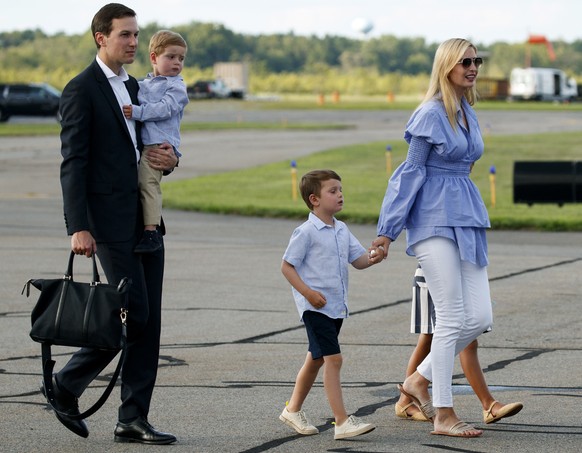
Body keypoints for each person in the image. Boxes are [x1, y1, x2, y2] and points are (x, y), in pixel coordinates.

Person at [44, 3, 179, 444]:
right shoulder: (81, 90)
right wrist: (77, 226)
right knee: (130, 314)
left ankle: (132, 418)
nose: (135, 42)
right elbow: (73, 163)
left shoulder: (137, 87)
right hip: (107, 223)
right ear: (102, 37)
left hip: (147, 222)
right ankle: (65, 384)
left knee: (149, 322)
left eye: (137, 35)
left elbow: (150, 146)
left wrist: (171, 159)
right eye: (126, 35)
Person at [373, 38, 493, 438]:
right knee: (453, 317)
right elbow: (410, 173)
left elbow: (465, 164)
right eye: (464, 62)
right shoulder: (429, 113)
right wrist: (388, 230)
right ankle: (443, 413)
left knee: (480, 317)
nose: (472, 67)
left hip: (467, 215)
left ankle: (416, 381)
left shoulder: (469, 113)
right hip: (432, 219)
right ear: (446, 67)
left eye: (476, 60)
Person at [279, 169, 382, 440]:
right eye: (332, 191)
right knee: (333, 359)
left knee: (316, 359)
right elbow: (287, 266)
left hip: (336, 307)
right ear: (314, 199)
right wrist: (308, 293)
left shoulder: (341, 228)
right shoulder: (306, 232)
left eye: (340, 190)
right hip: (315, 308)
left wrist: (375, 256)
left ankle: (292, 410)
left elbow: (358, 260)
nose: (340, 195)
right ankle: (341, 421)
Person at [395, 266, 523, 425]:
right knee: (430, 337)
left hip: (464, 275)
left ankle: (488, 404)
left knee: (467, 339)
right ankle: (488, 404)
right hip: (437, 275)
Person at [123, 29, 189, 254]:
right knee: (143, 183)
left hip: (159, 146)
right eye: (171, 57)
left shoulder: (176, 86)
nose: (177, 63)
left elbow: (166, 108)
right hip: (147, 144)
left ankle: (151, 231)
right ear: (153, 58)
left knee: (148, 184)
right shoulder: (145, 84)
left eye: (181, 58)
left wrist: (137, 112)